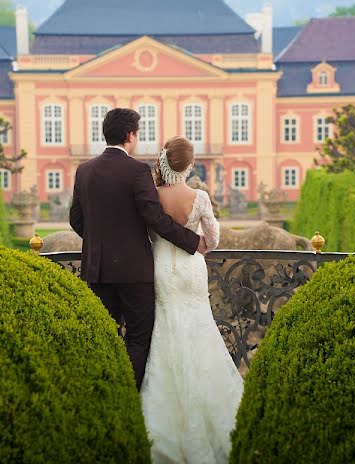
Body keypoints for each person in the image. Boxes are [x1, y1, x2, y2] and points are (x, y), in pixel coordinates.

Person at [69, 108, 206, 389]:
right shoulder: (136, 171)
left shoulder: (84, 170)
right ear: (131, 136)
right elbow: (154, 218)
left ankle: (106, 394)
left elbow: (77, 219)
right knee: (139, 338)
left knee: (105, 336)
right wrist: (194, 242)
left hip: (97, 269)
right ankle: (129, 396)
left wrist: (98, 242)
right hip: (135, 272)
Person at [141, 135, 244, 464]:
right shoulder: (198, 196)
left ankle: (163, 425)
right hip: (191, 268)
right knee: (199, 329)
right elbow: (212, 239)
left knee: (166, 330)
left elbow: (148, 234)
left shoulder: (153, 195)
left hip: (161, 268)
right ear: (188, 165)